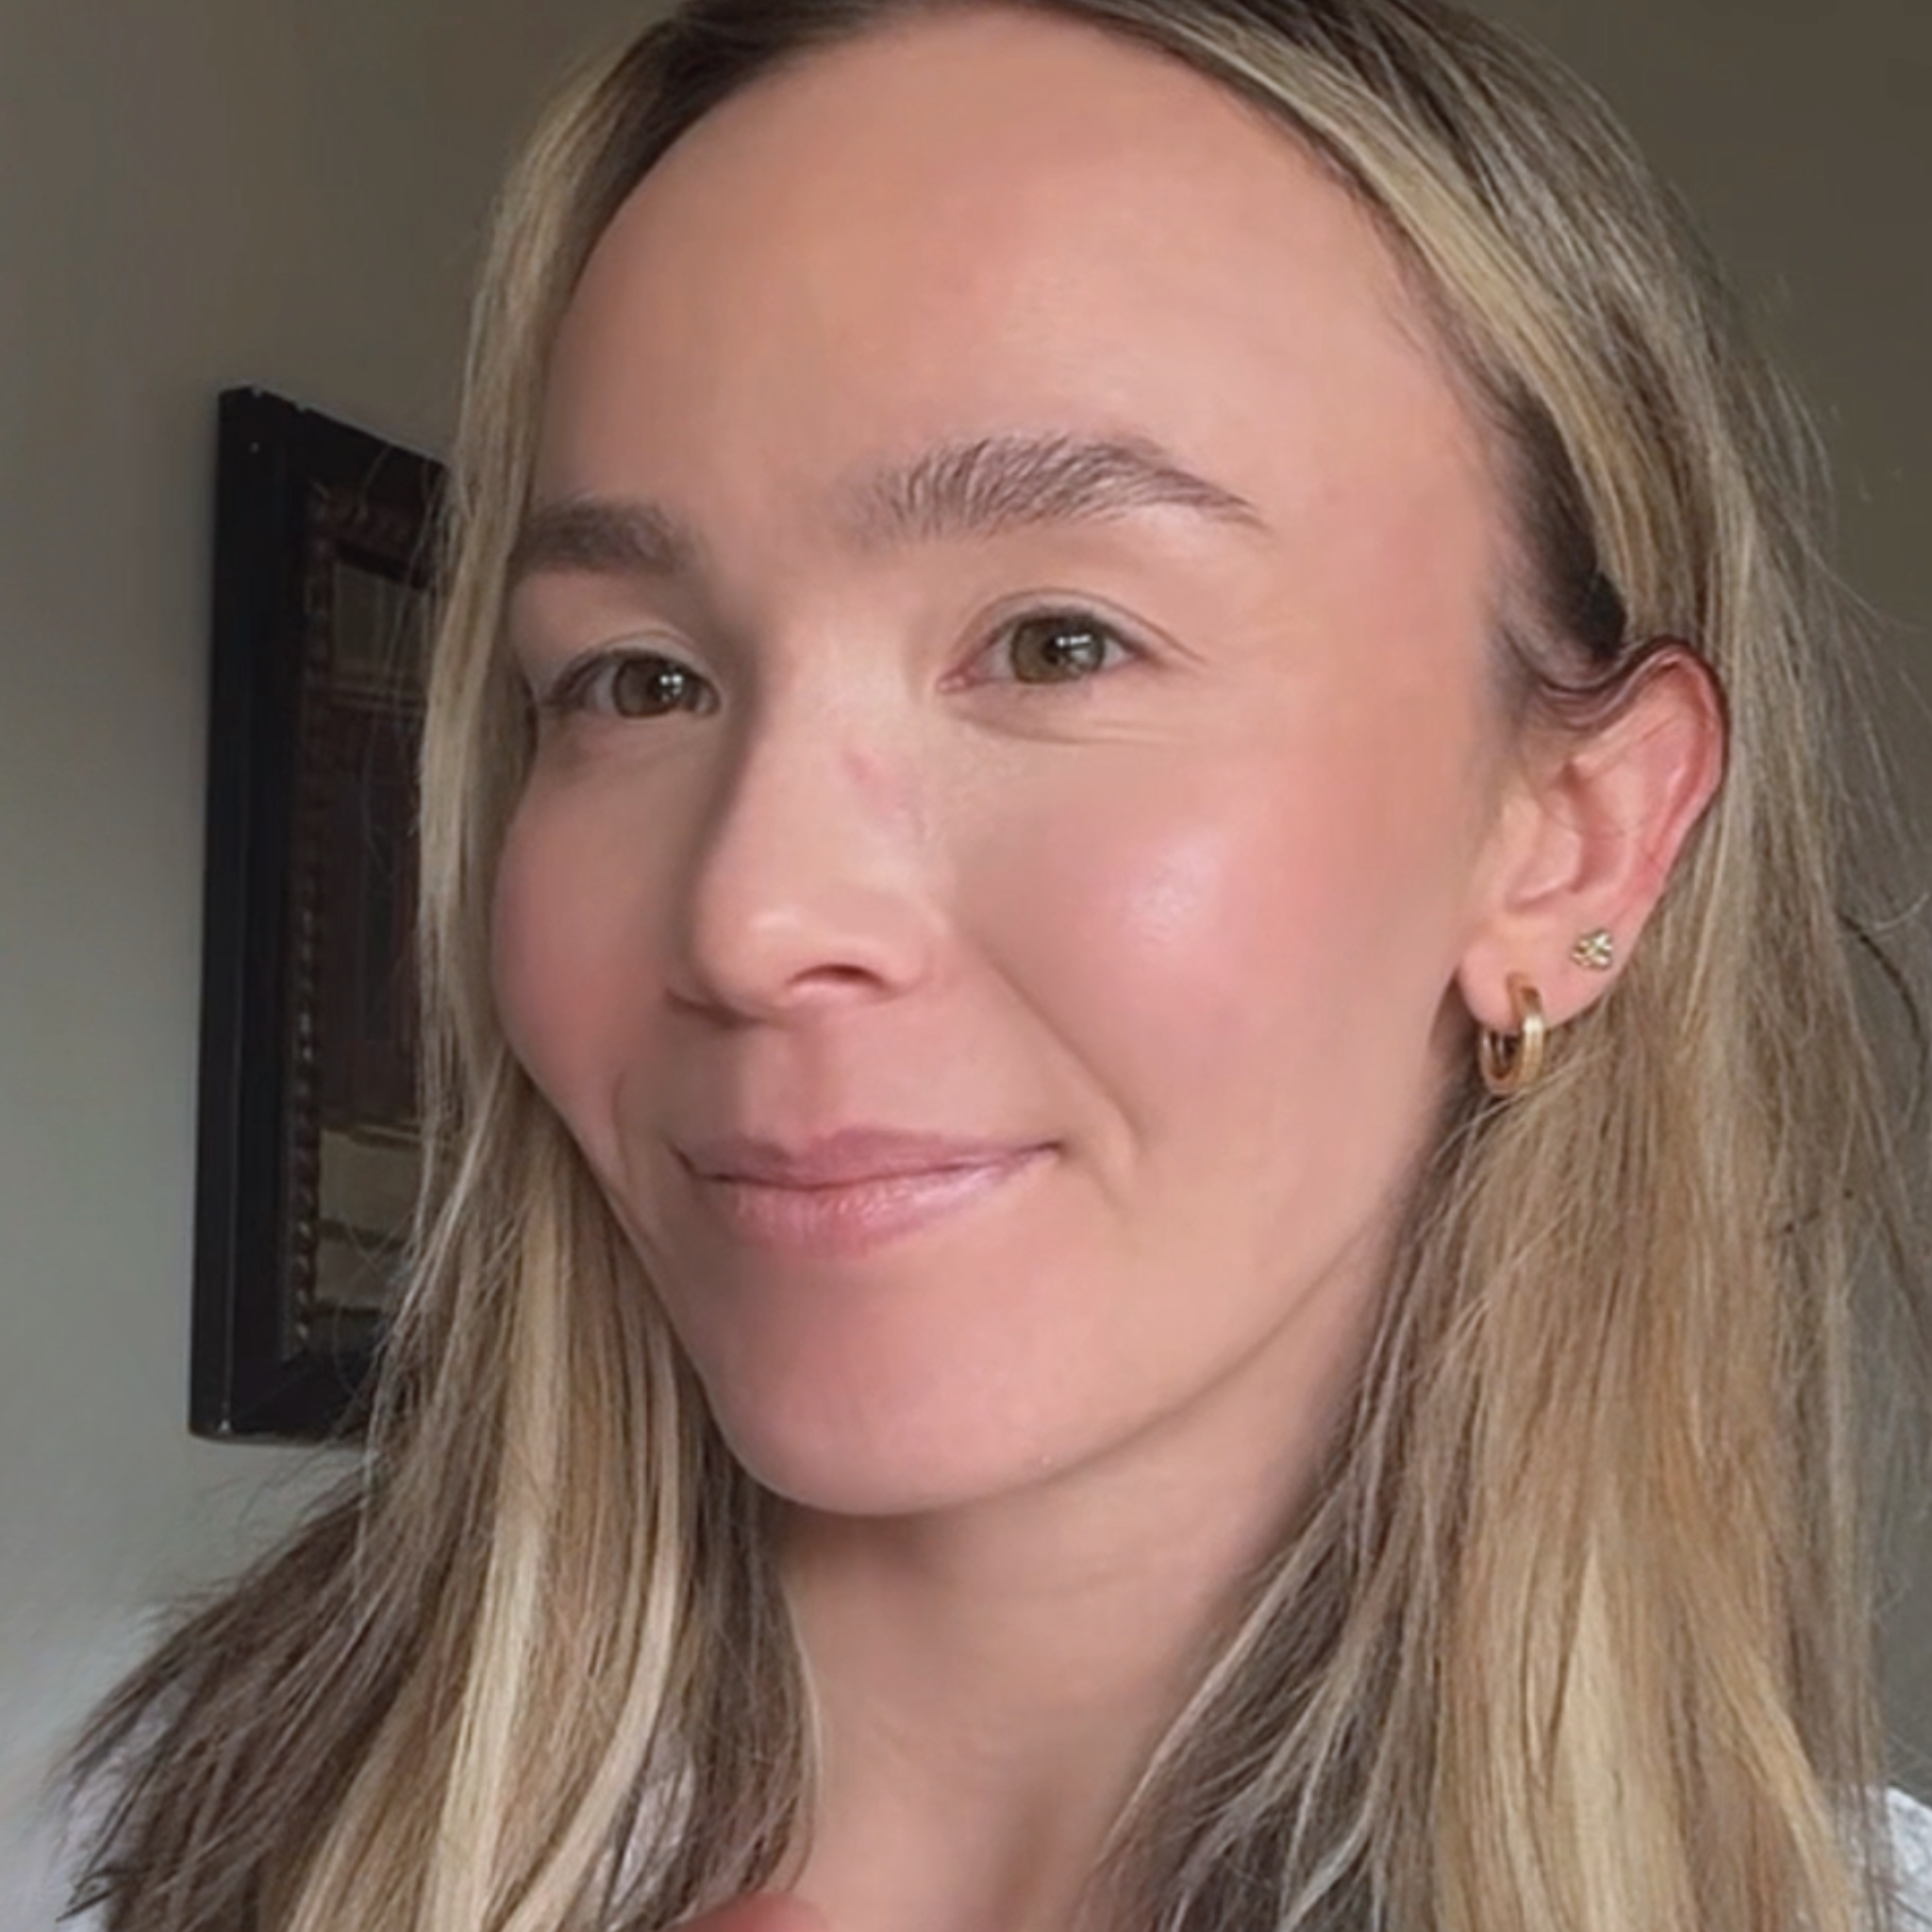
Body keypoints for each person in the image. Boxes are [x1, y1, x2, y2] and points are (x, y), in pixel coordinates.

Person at [52, 1, 1932, 1928]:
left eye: (1055, 643)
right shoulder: (174, 1845)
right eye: (637, 679)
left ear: (1572, 835)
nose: (750, 918)